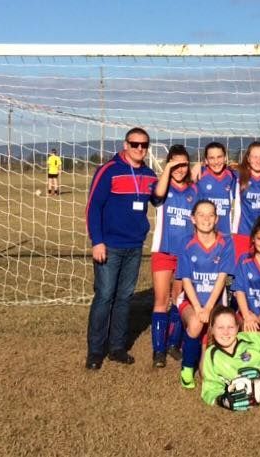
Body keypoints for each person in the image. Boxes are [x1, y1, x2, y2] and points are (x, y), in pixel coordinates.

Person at [85, 127, 157, 370]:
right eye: (135, 144)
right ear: (125, 144)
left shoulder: (149, 174)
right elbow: (93, 207)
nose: (139, 148)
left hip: (134, 246)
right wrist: (97, 241)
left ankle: (117, 347)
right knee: (105, 296)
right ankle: (95, 351)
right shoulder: (108, 170)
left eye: (144, 145)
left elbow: (159, 198)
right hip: (110, 246)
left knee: (124, 298)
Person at [175, 200, 235, 389]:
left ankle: (208, 355)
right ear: (193, 218)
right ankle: (186, 369)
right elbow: (186, 280)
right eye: (201, 214)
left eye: (210, 215)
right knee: (195, 323)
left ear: (216, 218)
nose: (206, 219)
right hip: (191, 301)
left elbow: (221, 279)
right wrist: (199, 309)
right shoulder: (186, 242)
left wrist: (209, 308)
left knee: (206, 373)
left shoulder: (226, 242)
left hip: (215, 303)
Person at [149, 145, 198, 367]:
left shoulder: (194, 191)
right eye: (175, 164)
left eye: (184, 164)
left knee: (179, 300)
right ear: (169, 164)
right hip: (163, 251)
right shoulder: (163, 186)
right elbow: (157, 196)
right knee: (161, 301)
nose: (180, 169)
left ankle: (172, 344)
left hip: (185, 255)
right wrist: (168, 169)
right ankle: (158, 350)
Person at [231, 142, 260, 261]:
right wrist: (198, 166)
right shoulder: (239, 175)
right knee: (241, 272)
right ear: (248, 158)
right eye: (254, 157)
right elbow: (218, 168)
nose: (258, 160)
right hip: (243, 233)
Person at [196, 142, 236, 235]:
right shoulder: (199, 175)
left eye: (219, 157)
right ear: (206, 160)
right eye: (212, 158)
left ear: (225, 158)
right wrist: (197, 165)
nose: (216, 162)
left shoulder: (232, 176)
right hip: (204, 233)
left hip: (225, 234)